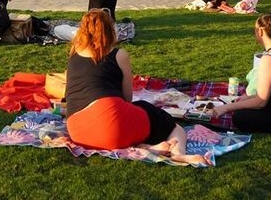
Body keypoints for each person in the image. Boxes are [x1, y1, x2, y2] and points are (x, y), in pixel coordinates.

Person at [65, 10, 210, 165]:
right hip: (112, 125)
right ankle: (178, 153)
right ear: (110, 30)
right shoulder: (118, 54)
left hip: (78, 131)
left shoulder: (74, 56)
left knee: (132, 119)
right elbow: (127, 98)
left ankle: (148, 147)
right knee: (169, 125)